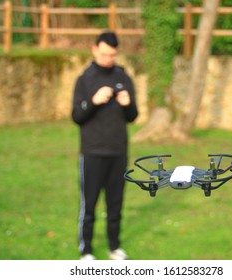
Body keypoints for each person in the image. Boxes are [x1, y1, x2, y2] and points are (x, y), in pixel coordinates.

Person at [71, 31, 138, 260]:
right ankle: (86, 250)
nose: (107, 59)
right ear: (94, 50)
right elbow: (77, 116)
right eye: (103, 54)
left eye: (112, 55)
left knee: (115, 206)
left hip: (118, 152)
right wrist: (93, 101)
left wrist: (128, 104)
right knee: (88, 206)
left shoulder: (123, 77)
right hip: (92, 153)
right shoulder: (85, 79)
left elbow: (133, 116)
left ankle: (114, 246)